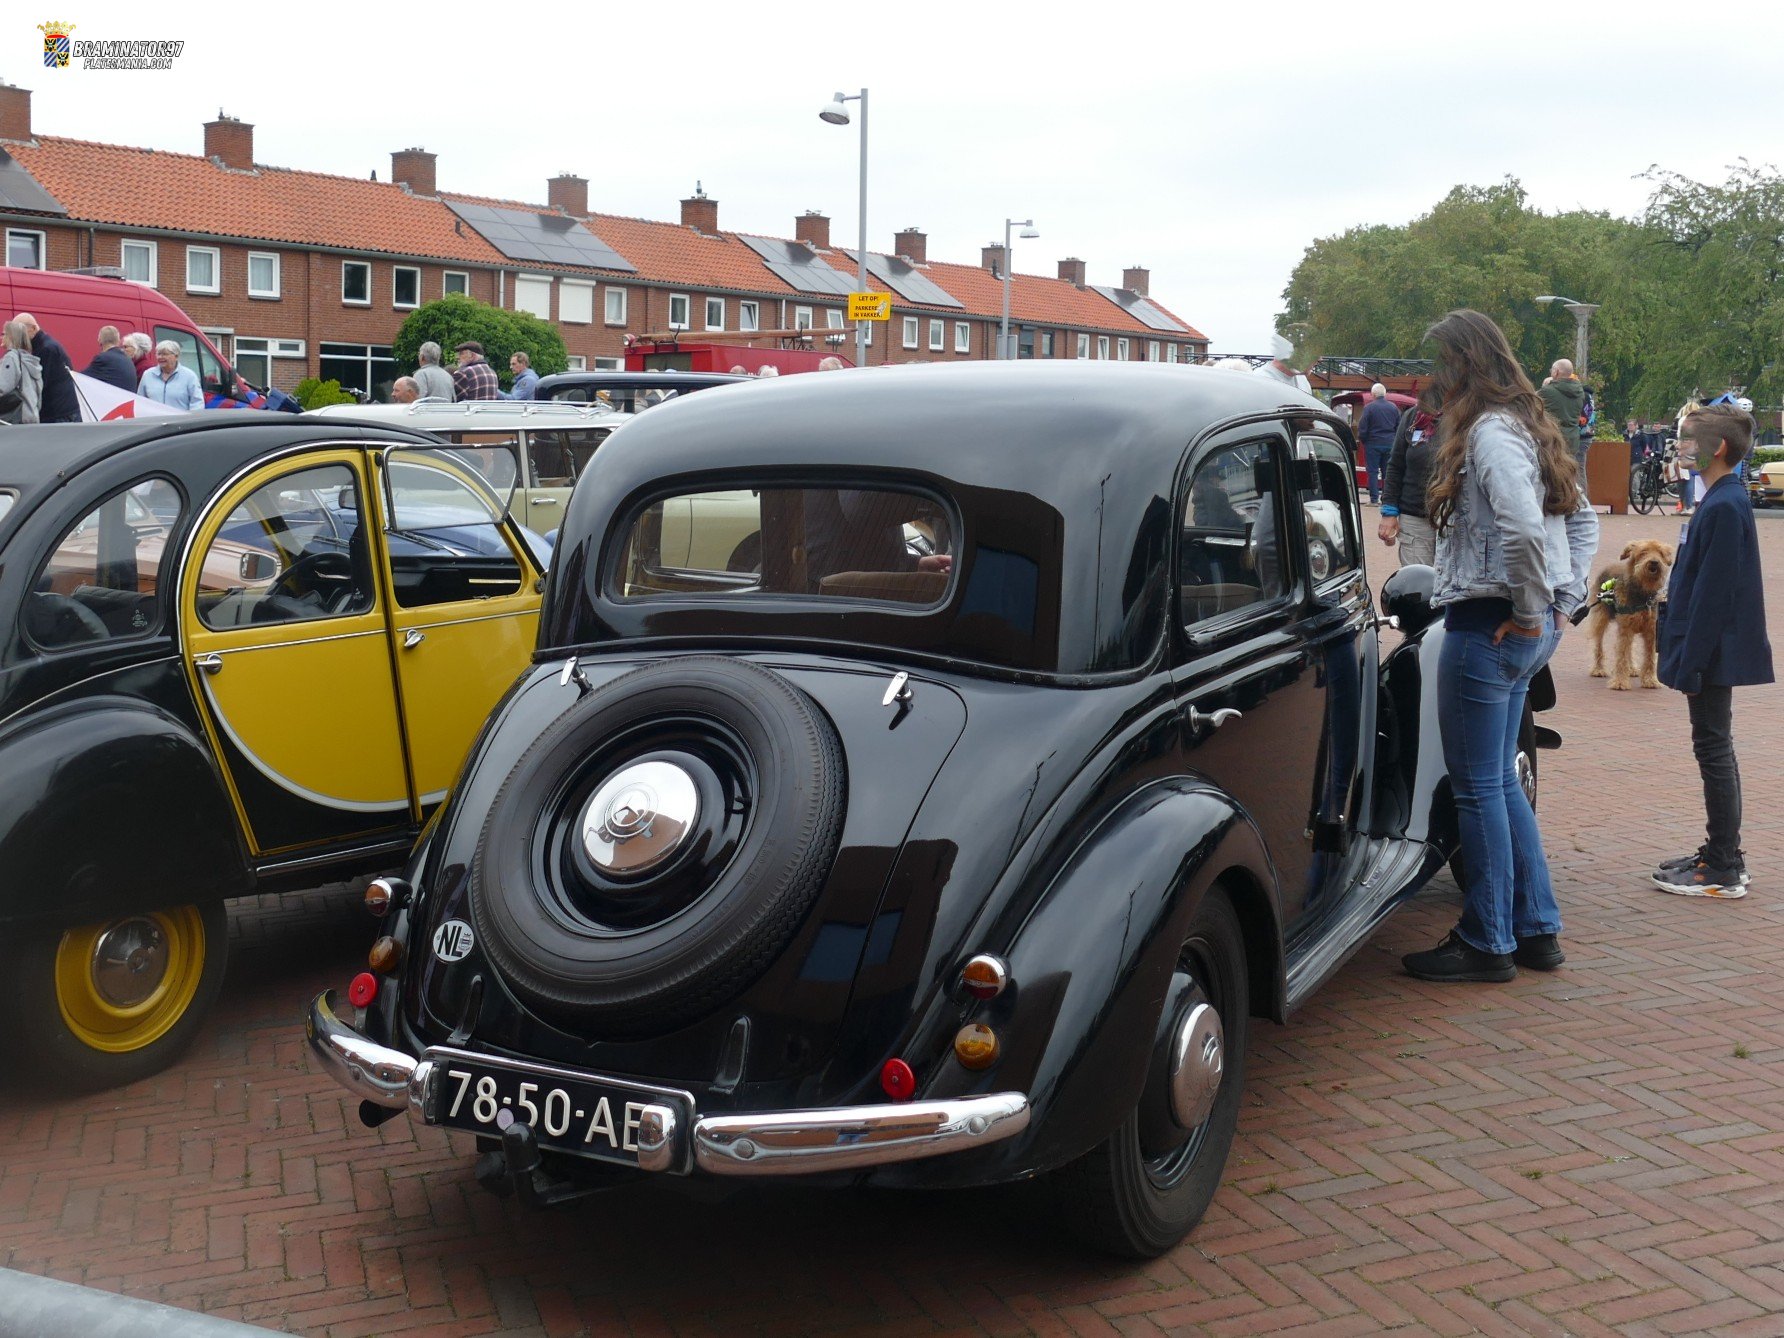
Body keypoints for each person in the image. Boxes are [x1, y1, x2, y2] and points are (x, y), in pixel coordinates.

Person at [1401, 310, 1597, 984]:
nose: (1435, 380)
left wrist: (1533, 610)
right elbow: (1581, 522)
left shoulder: (1490, 431)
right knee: (1499, 782)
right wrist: (1558, 606)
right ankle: (1535, 927)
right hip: (1517, 629)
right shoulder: (1529, 426)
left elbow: (1522, 525)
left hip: (1489, 626)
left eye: (1443, 365)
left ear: (1465, 364)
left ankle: (1488, 938)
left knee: (1478, 787)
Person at [1651, 405, 1773, 897]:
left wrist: (1692, 662)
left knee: (1714, 748)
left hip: (1711, 650)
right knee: (1715, 746)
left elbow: (1714, 594)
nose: (1679, 447)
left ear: (1716, 448)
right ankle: (1722, 852)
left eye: (1686, 439)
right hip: (1708, 647)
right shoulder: (1720, 498)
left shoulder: (1724, 504)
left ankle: (1723, 864)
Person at [1376, 400, 1439, 567]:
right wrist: (1389, 512)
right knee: (1418, 579)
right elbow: (1396, 464)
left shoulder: (1472, 411)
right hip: (1416, 519)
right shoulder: (1414, 415)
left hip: (1459, 522)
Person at [14, 313, 79, 423]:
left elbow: (38, 384)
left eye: (20, 331)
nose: (18, 336)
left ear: (33, 329)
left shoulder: (46, 349)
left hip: (58, 414)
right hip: (62, 411)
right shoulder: (45, 345)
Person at [1538, 358, 1588, 478]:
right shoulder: (1579, 391)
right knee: (1568, 474)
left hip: (1554, 439)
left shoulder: (1547, 391)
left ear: (1556, 372)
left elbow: (1531, 402)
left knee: (1551, 476)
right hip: (1572, 439)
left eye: (1552, 370)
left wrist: (1545, 385)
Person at [1355, 383, 1400, 505]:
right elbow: (1398, 426)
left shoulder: (1369, 408)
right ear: (1384, 394)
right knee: (1387, 473)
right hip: (1390, 443)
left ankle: (1374, 499)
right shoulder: (1393, 408)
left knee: (1373, 472)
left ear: (1373, 394)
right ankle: (1386, 498)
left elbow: (1363, 427)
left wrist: (1364, 440)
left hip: (1373, 444)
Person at [138, 339, 205, 410]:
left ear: (176, 356)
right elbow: (140, 400)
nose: (160, 357)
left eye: (165, 354)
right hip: (154, 417)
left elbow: (197, 403)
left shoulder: (189, 376)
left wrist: (191, 416)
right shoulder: (148, 375)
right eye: (158, 354)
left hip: (180, 417)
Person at [0, 319, 44, 425]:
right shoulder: (31, 360)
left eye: (4, 334)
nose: (2, 337)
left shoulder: (11, 357)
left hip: (13, 418)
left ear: (11, 337)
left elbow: (2, 387)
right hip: (31, 417)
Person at [83, 325, 139, 393]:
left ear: (99, 340)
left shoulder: (103, 358)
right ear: (118, 341)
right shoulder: (128, 360)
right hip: (127, 398)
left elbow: (80, 378)